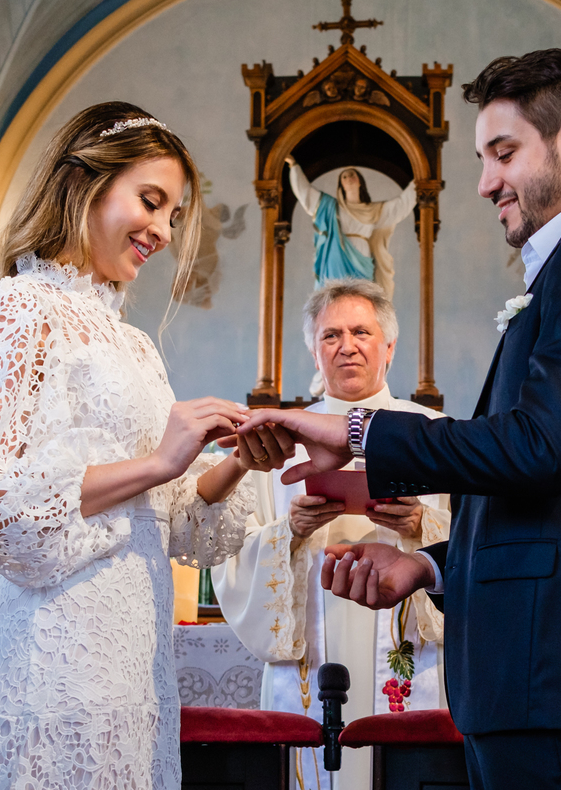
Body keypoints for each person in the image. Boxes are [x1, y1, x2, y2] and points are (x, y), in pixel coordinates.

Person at [231, 49, 561, 789]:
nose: (485, 183)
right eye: (483, 158)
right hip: (536, 677)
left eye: (504, 153)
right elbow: (546, 495)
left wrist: (360, 431)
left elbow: (541, 446)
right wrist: (426, 564)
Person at [0, 101, 291, 790]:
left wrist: (236, 459)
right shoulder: (14, 308)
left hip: (133, 660)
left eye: (173, 214)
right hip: (50, 653)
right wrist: (160, 458)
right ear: (86, 185)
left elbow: (172, 514)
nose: (161, 230)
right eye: (150, 201)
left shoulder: (135, 345)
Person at [211, 279, 451, 790]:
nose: (346, 345)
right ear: (314, 352)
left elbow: (480, 541)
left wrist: (420, 526)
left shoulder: (434, 432)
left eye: (361, 331)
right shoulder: (276, 442)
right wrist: (288, 533)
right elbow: (229, 551)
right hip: (313, 649)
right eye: (330, 335)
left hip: (403, 638)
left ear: (389, 346)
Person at [287, 156, 416, 301]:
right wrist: (294, 166)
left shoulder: (373, 210)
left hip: (362, 258)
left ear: (360, 180)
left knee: (362, 299)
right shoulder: (332, 208)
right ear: (341, 185)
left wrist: (418, 181)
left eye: (352, 174)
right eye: (344, 177)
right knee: (336, 300)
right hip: (336, 258)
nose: (349, 178)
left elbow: (400, 206)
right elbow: (306, 193)